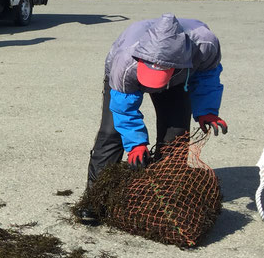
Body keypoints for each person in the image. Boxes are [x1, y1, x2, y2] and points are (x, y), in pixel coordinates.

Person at [77, 13, 227, 225]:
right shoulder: (125, 62)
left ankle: (164, 198)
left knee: (176, 136)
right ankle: (94, 200)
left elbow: (208, 76)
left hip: (178, 78)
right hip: (127, 78)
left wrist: (207, 110)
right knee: (111, 133)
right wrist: (136, 143)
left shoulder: (204, 44)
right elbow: (124, 110)